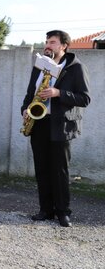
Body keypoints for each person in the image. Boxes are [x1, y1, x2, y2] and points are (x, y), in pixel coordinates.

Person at [21, 30, 90, 228]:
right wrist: (25, 109)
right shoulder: (40, 66)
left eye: (52, 42)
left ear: (64, 46)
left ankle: (63, 212)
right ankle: (46, 210)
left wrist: (59, 92)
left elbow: (84, 98)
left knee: (59, 170)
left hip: (61, 124)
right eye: (46, 41)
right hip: (39, 122)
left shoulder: (76, 67)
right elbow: (30, 93)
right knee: (41, 168)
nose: (47, 45)